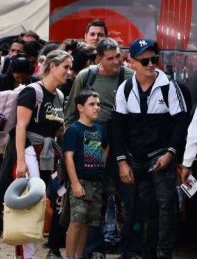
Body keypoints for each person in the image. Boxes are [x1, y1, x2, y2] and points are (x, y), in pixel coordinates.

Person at [111, 39, 189, 259]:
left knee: (166, 205)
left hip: (161, 155)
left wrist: (171, 152)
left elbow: (182, 122)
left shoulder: (169, 86)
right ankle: (147, 251)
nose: (151, 64)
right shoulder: (125, 88)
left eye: (154, 59)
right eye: (144, 61)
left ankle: (164, 252)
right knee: (146, 207)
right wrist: (122, 161)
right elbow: (116, 126)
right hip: (136, 158)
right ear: (132, 62)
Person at [64, 38, 136, 258]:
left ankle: (128, 249)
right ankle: (91, 250)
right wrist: (73, 144)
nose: (117, 61)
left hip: (121, 143)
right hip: (90, 142)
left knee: (129, 198)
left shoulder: (130, 76)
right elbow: (71, 113)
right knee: (91, 200)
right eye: (110, 58)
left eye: (118, 56)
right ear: (99, 59)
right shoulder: (87, 76)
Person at [11, 49, 71, 259]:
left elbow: (58, 129)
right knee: (30, 204)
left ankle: (53, 248)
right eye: (65, 67)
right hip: (30, 152)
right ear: (52, 67)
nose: (69, 72)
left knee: (60, 197)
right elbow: (20, 127)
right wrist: (21, 161)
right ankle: (26, 255)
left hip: (51, 155)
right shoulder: (32, 92)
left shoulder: (59, 95)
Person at [64, 90, 107, 259]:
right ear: (80, 107)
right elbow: (68, 157)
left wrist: (102, 163)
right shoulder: (74, 130)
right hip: (81, 181)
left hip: (97, 182)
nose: (97, 107)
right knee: (76, 221)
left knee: (87, 223)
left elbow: (106, 146)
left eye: (98, 104)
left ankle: (79, 255)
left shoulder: (100, 129)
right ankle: (70, 256)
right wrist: (75, 183)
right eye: (92, 104)